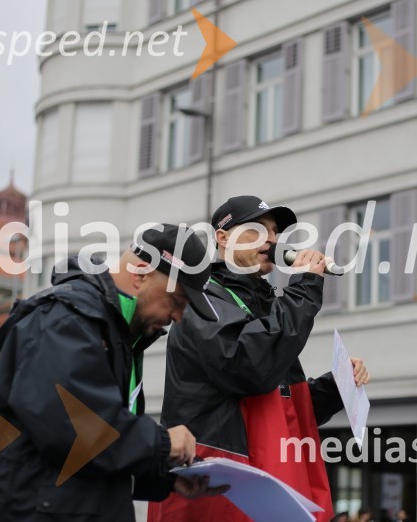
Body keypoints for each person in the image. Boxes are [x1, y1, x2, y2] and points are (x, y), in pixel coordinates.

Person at [0, 224, 227, 522]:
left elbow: (90, 454)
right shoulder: (66, 318)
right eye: (177, 301)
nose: (178, 316)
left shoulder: (115, 331)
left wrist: (163, 478)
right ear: (141, 273)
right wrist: (163, 443)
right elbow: (75, 427)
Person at [148, 196, 370, 522]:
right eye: (255, 230)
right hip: (221, 484)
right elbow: (248, 368)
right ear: (222, 238)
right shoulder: (203, 296)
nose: (271, 239)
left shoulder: (266, 306)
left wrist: (338, 386)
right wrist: (305, 287)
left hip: (264, 479)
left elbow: (283, 406)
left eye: (275, 232)